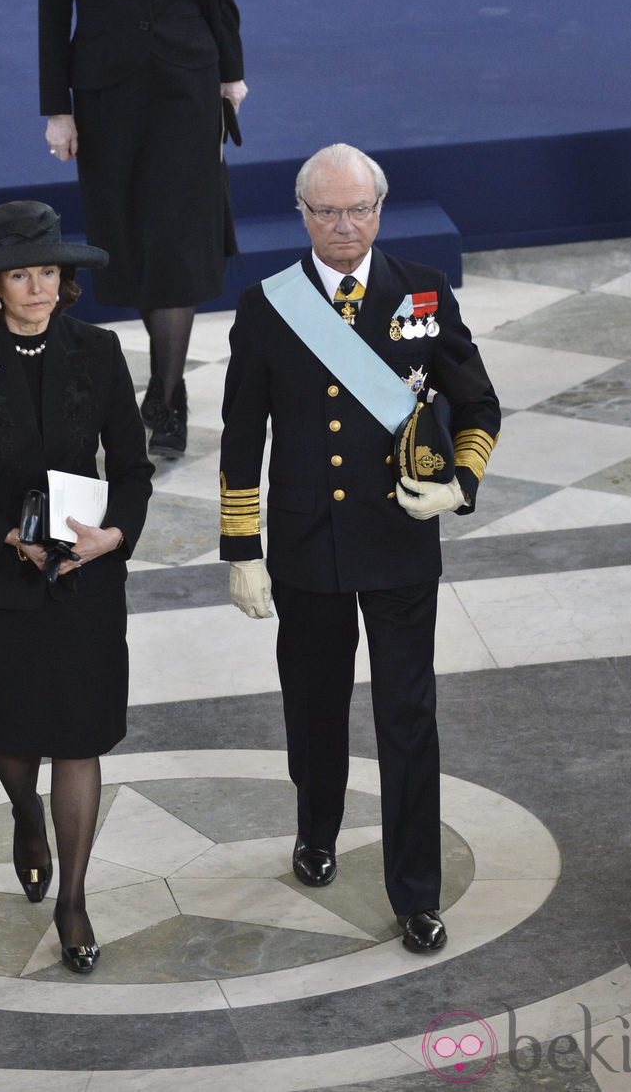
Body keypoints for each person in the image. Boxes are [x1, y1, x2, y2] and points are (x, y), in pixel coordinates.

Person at [218, 144, 500, 953]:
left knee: (408, 717)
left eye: (360, 210)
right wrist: (243, 544)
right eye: (329, 212)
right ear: (302, 215)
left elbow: (477, 399)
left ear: (381, 209)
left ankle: (416, 890)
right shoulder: (267, 305)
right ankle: (317, 826)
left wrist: (462, 482)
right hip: (308, 546)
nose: (346, 226)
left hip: (400, 539)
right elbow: (244, 434)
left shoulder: (421, 290)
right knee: (313, 706)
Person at [0, 200, 153, 976]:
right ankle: (26, 816)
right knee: (15, 739)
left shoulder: (99, 350)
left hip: (86, 578)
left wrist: (115, 535)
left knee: (79, 737)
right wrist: (1, 537)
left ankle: (74, 899)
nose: (39, 286)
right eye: (22, 275)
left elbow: (135, 466)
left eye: (48, 271)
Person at [38, 0, 247, 457]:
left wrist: (231, 70)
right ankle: (164, 391)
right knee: (131, 237)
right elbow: (52, 10)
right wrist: (57, 110)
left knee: (177, 236)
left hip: (185, 82)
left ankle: (165, 397)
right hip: (108, 92)